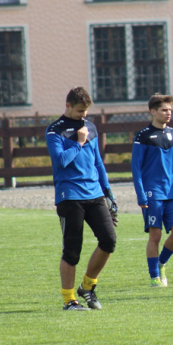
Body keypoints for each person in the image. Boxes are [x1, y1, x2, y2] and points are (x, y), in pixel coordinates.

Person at [46, 87, 118, 311]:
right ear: (67, 106)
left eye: (86, 111)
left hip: (95, 194)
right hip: (70, 196)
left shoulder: (91, 128)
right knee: (72, 249)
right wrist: (78, 142)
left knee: (109, 240)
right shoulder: (54, 131)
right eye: (79, 111)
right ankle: (69, 301)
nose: (83, 116)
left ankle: (87, 287)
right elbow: (60, 161)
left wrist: (109, 194)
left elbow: (98, 162)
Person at [132, 94, 173, 287]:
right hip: (153, 193)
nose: (168, 113)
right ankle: (154, 277)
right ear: (153, 112)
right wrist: (141, 194)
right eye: (164, 110)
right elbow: (136, 167)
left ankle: (161, 263)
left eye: (170, 110)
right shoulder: (143, 136)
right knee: (155, 236)